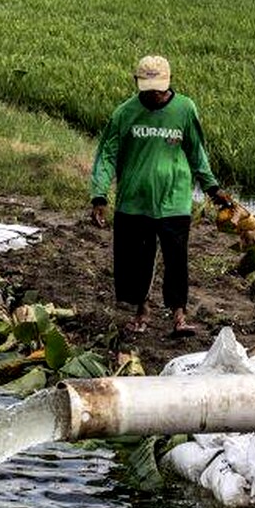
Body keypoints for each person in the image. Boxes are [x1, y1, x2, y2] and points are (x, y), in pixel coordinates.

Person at [89, 54, 230, 337]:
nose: (155, 94)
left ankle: (179, 315)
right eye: (149, 88)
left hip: (174, 199)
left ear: (169, 83)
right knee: (138, 260)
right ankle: (142, 310)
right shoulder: (125, 113)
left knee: (176, 259)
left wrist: (212, 188)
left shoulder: (185, 109)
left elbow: (196, 152)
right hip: (135, 200)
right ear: (137, 83)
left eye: (160, 88)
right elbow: (107, 155)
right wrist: (99, 196)